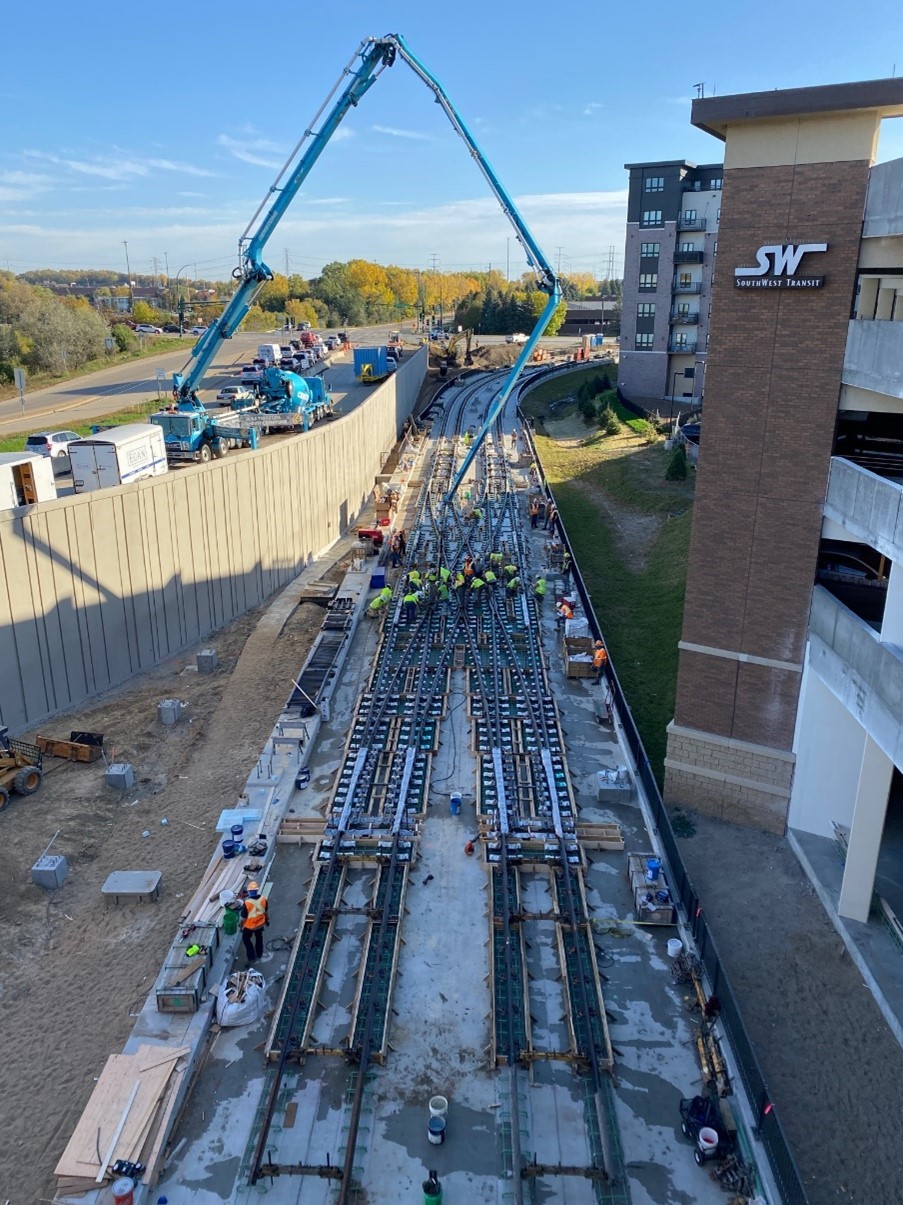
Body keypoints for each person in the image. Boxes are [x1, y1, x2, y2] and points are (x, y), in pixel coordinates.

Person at [241, 881, 268, 963]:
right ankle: (259, 954)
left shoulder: (247, 903)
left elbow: (243, 918)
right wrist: (266, 921)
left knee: (246, 939)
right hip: (260, 924)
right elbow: (266, 912)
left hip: (250, 926)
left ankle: (251, 957)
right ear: (257, 891)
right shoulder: (263, 899)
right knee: (259, 938)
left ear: (249, 892)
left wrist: (240, 926)